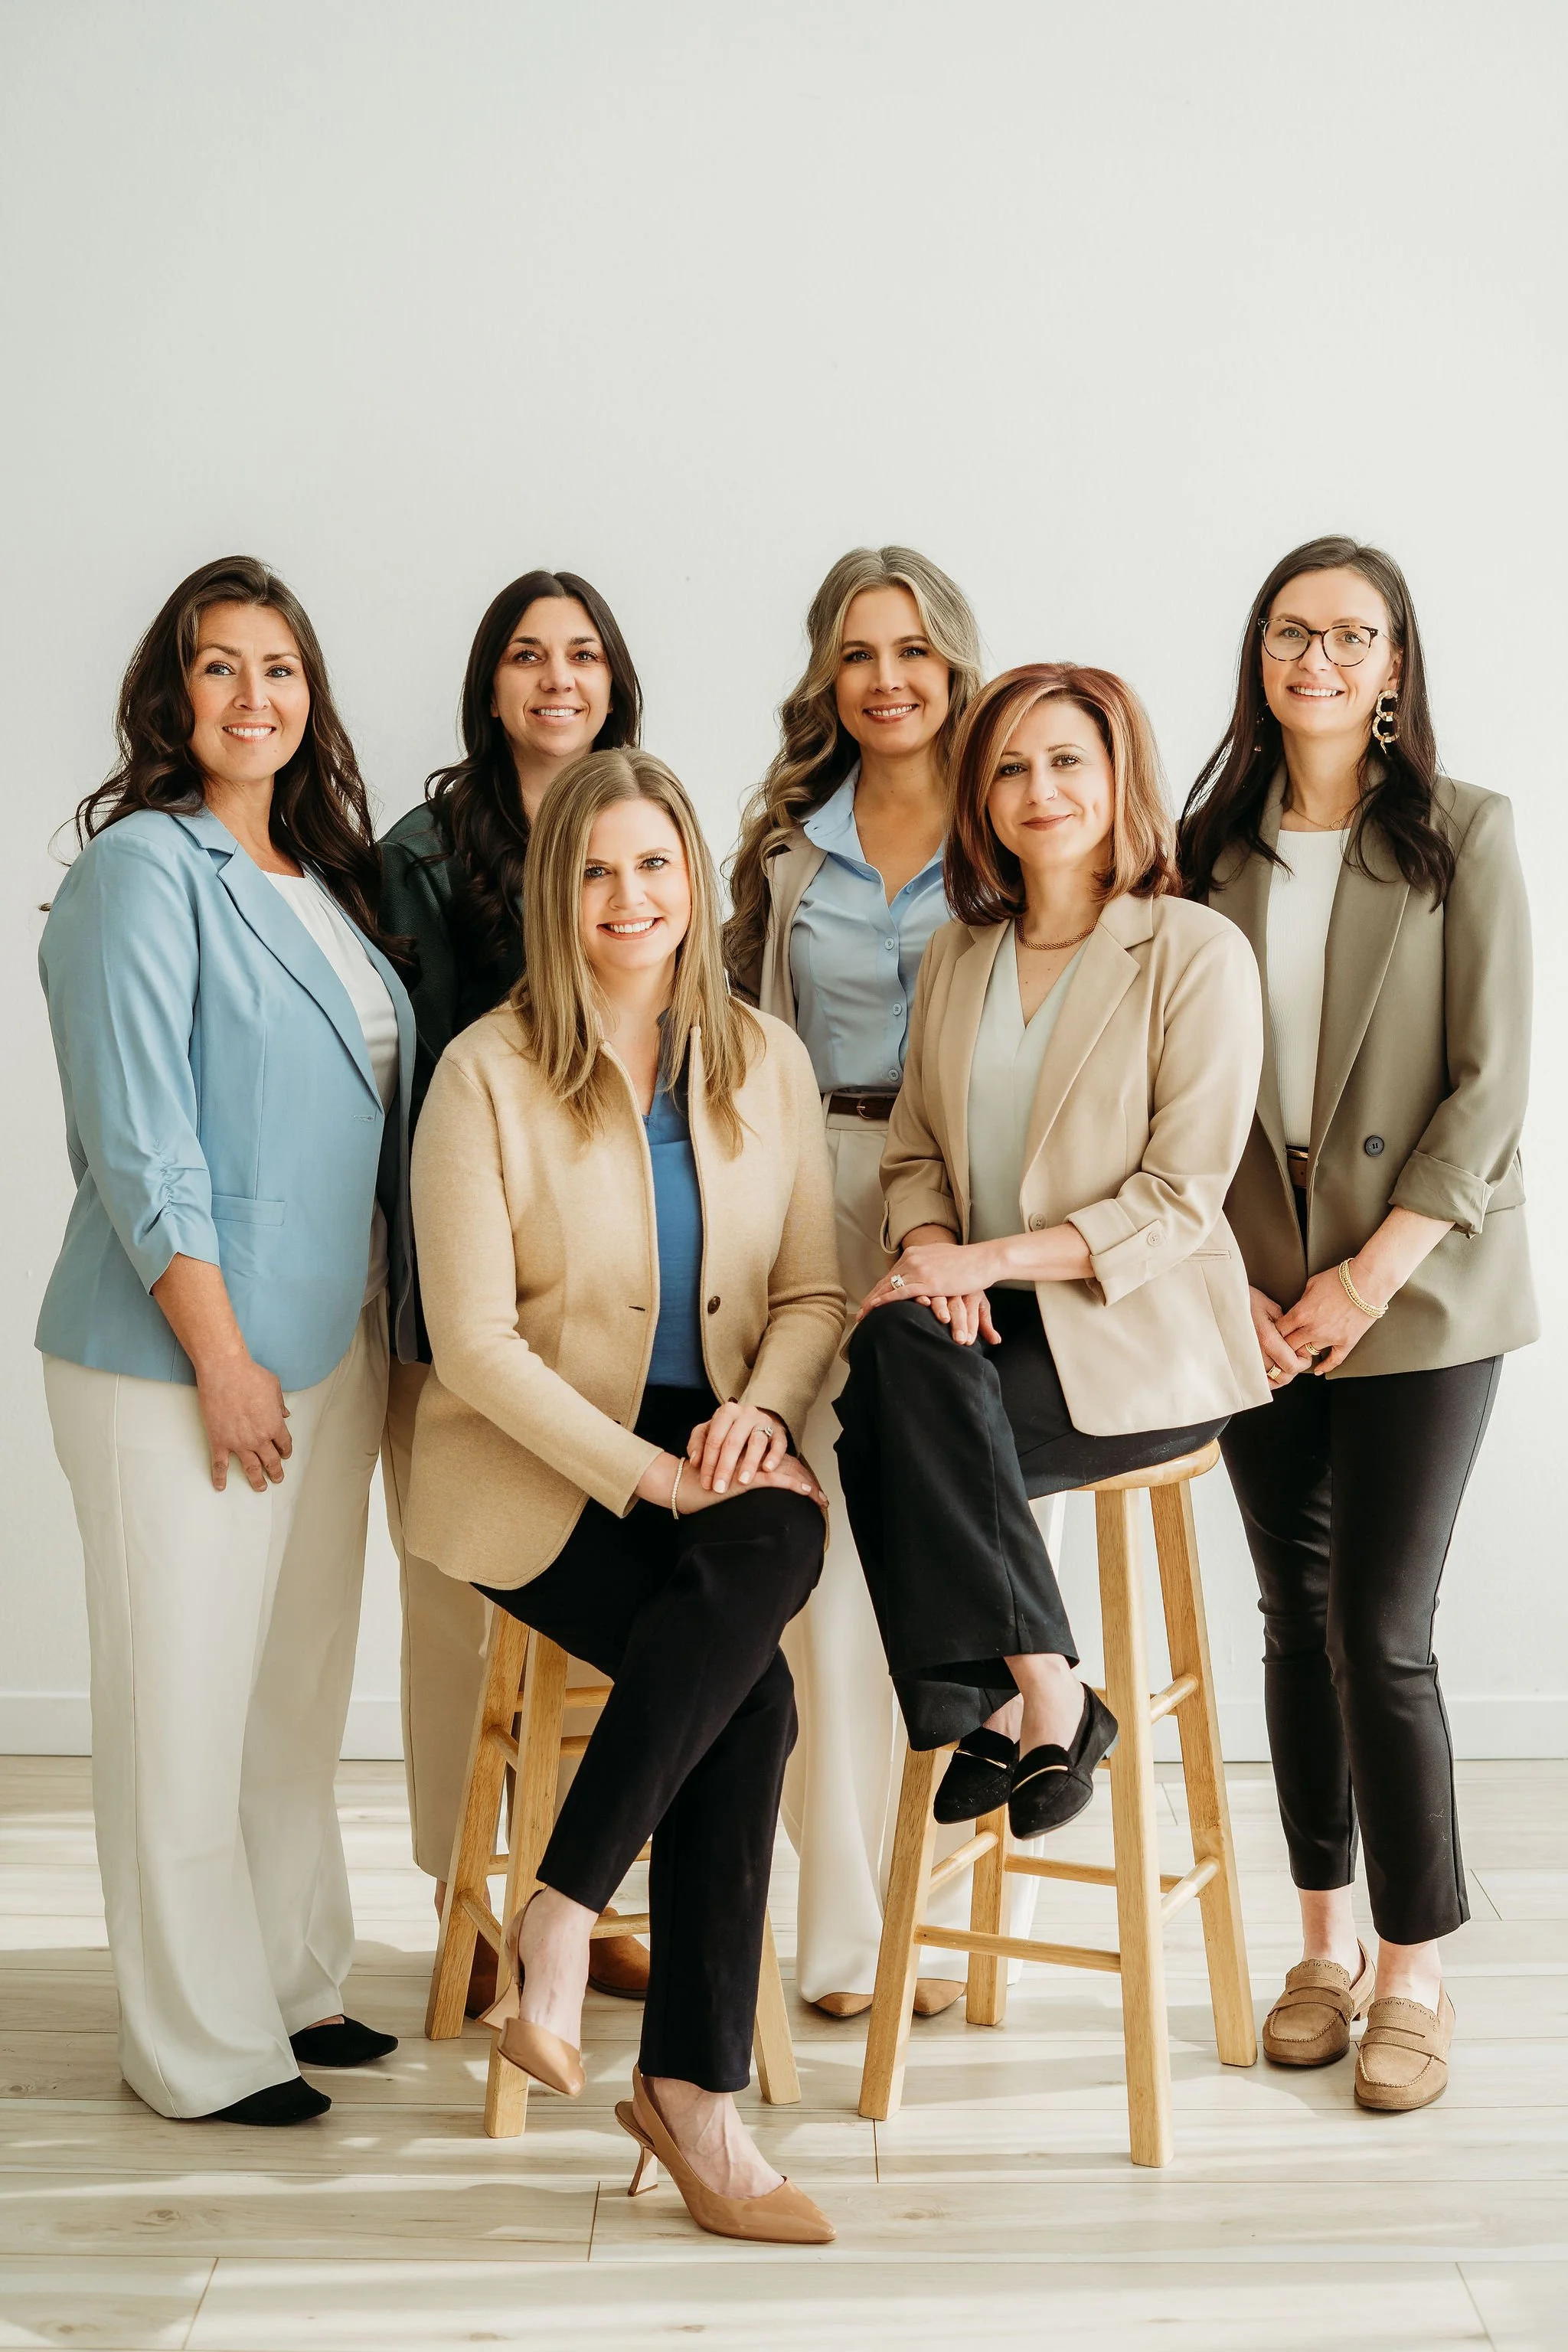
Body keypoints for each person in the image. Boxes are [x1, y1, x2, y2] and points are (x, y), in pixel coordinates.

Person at [407, 748, 841, 2244]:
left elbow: (812, 1287)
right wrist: (651, 1477)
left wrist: (757, 1417)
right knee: (756, 1698)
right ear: (554, 892)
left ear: (693, 883)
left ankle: (557, 1914)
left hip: (717, 1442)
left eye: (654, 865)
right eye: (595, 870)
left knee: (779, 1531)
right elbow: (470, 1346)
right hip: (535, 1465)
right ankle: (694, 2100)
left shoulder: (765, 1062)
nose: (628, 897)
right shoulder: (486, 1073)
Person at [37, 557, 412, 2125]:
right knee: (181, 1696)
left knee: (290, 1688)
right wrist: (219, 1348)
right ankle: (194, 2044)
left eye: (280, 668)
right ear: (168, 695)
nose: (254, 695)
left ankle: (289, 1976)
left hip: (330, 1343)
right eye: (219, 667)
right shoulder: (143, 869)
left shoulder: (315, 880)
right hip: (184, 1352)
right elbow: (141, 1138)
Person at [1181, 536, 1537, 2112]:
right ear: (1258, 658)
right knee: (1288, 1622)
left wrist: (1361, 1281)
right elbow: (1174, 1093)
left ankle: (1415, 1971)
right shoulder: (1205, 848)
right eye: (1289, 632)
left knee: (1378, 1636)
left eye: (1350, 636)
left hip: (1418, 1292)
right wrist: (1232, 1287)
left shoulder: (1467, 836)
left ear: (1396, 667)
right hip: (1250, 1301)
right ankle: (1317, 1949)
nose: (1316, 659)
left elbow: (1489, 1093)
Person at [835, 664, 1270, 1828]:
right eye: (1013, 768)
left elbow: (1181, 1198)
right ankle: (1047, 1693)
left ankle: (993, 1701)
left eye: (1068, 760)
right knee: (888, 1355)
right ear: (980, 797)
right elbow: (915, 1152)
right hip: (981, 1325)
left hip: (1142, 1337)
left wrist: (985, 1263)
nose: (1041, 790)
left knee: (893, 1409)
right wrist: (934, 1253)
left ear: (1120, 776)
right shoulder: (958, 959)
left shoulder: (1193, 952)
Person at [725, 544, 998, 2018]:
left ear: (953, 660)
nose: (887, 679)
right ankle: (844, 1943)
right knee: (814, 1572)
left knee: (947, 1562)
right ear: (827, 675)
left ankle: (936, 1908)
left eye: (911, 650)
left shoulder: (1018, 815)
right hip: (811, 1198)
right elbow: (745, 1050)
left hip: (966, 1214)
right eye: (857, 653)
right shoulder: (785, 846)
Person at [377, 570, 650, 2001]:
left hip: (610, 1296)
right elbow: (417, 1081)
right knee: (456, 1598)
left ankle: (584, 1897)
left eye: (584, 655)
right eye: (528, 657)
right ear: (490, 685)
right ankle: (459, 1903)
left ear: (615, 681)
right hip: (466, 1295)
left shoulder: (646, 837)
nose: (558, 678)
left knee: (604, 1617)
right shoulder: (423, 856)